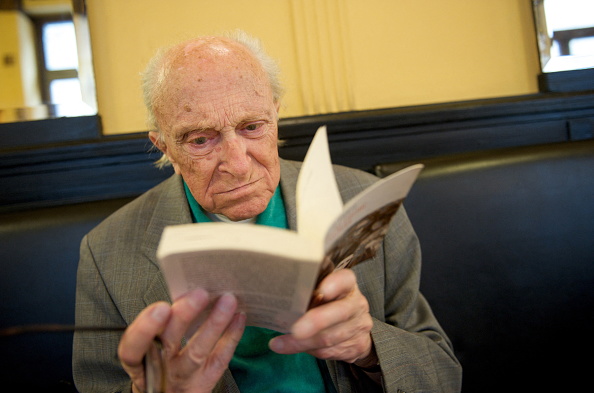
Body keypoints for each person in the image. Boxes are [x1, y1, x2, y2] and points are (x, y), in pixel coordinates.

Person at [73, 30, 462, 393]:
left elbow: (443, 375)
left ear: (276, 116)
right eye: (201, 139)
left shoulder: (366, 201)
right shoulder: (106, 253)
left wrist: (367, 346)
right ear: (165, 148)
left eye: (252, 127)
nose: (238, 165)